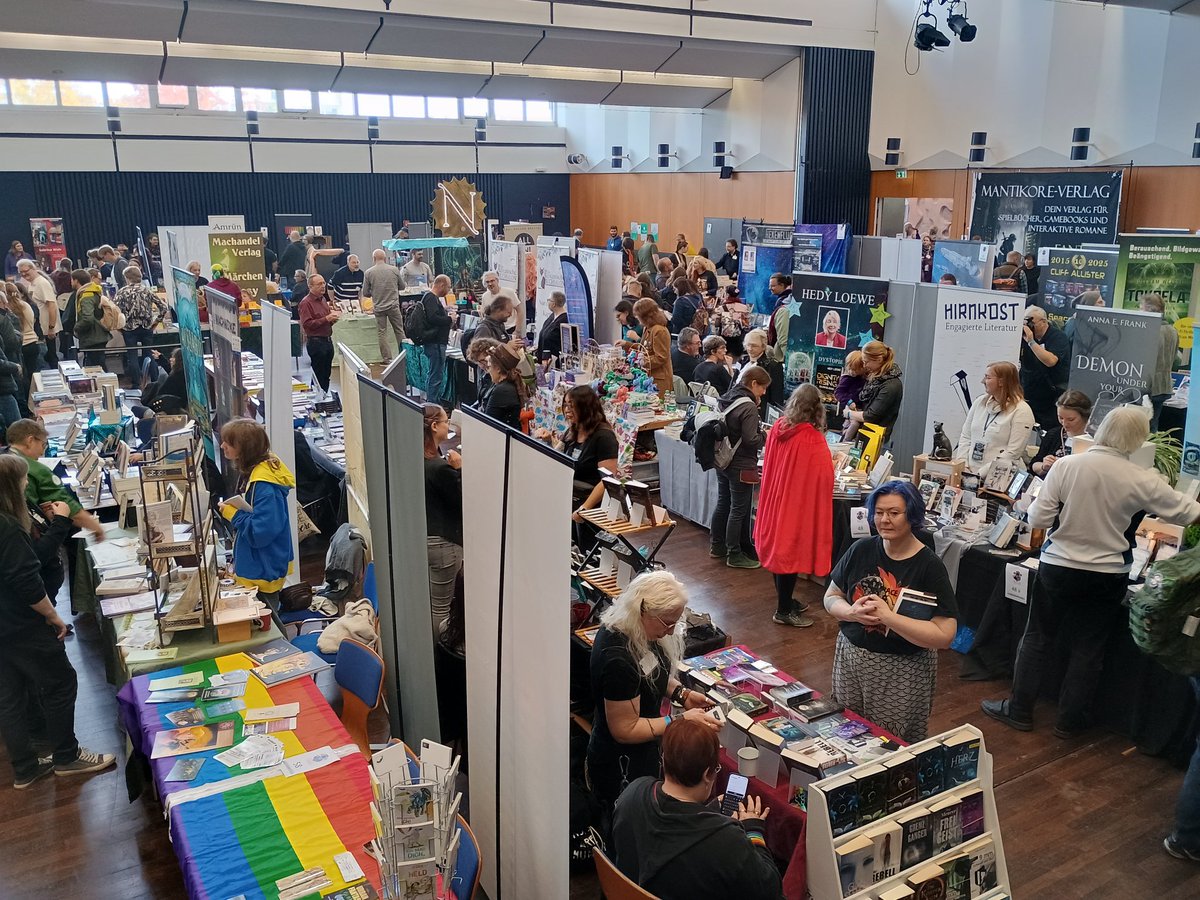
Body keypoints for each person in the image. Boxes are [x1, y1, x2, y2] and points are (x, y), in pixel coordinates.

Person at [983, 407, 1200, 738]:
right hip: (1108, 573)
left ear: (1102, 429)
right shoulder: (1143, 479)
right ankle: (1070, 721)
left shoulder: (1068, 466)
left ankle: (1020, 710)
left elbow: (1038, 519)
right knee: (1089, 647)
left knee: (1037, 638)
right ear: (1139, 439)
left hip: (1059, 566)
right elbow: (1190, 513)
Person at [0, 454, 116, 788]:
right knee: (60, 682)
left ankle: (26, 767)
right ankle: (67, 756)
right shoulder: (8, 527)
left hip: (4, 626)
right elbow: (27, 579)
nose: (27, 484)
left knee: (10, 695)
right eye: (23, 480)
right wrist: (53, 616)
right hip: (21, 623)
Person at [824, 481, 958, 741]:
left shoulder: (929, 566)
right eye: (879, 512)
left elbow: (945, 635)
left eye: (894, 513)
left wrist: (889, 618)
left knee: (889, 742)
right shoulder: (861, 549)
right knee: (847, 731)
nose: (884, 520)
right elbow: (831, 597)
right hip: (850, 659)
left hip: (901, 670)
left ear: (912, 515)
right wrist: (851, 613)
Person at [587, 571, 719, 814]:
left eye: (675, 622)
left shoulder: (638, 632)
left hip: (642, 754)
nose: (670, 631)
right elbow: (625, 730)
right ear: (643, 612)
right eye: (667, 623)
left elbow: (652, 670)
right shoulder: (618, 660)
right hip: (621, 765)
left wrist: (682, 694)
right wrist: (679, 720)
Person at [611, 718, 783, 900]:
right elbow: (771, 891)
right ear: (707, 775)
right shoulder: (727, 841)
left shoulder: (634, 791)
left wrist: (708, 812)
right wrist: (753, 830)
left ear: (664, 759)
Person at [755, 384, 832, 628]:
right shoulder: (812, 438)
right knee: (788, 554)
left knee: (779, 551)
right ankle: (784, 610)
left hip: (776, 500)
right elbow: (824, 476)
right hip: (795, 504)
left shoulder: (779, 427)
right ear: (817, 409)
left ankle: (785, 600)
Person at [218, 418, 295, 614]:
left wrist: (233, 514)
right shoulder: (256, 473)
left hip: (263, 569)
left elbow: (260, 533)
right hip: (258, 564)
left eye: (229, 443)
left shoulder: (265, 486)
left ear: (244, 449)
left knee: (268, 624)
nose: (222, 446)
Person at [710, 366, 770, 569]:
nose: (764, 392)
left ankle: (717, 546)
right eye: (762, 387)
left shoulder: (727, 397)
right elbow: (751, 439)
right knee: (738, 510)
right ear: (753, 383)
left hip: (722, 460)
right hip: (742, 465)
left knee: (723, 503)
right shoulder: (749, 407)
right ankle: (734, 554)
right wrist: (766, 435)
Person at [7, 419, 106, 542]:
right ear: (30, 441)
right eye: (43, 445)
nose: (42, 452)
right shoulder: (35, 470)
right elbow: (68, 507)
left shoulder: (5, 458)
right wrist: (96, 527)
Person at [953, 361, 1035, 478]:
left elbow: (1013, 453)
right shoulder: (979, 402)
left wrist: (980, 474)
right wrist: (963, 466)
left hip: (999, 477)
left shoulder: (1022, 411)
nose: (983, 381)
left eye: (988, 377)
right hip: (969, 473)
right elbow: (966, 436)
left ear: (1002, 382)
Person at [422, 403, 463, 641]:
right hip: (443, 544)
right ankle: (438, 653)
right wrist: (460, 469)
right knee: (441, 608)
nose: (449, 426)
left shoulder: (417, 458)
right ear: (435, 426)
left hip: (425, 537)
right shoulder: (439, 468)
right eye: (447, 421)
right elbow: (463, 500)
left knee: (431, 602)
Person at [1020, 305, 1071, 429]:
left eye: (1032, 323)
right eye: (1026, 323)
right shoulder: (1023, 337)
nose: (1029, 326)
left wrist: (1031, 342)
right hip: (1029, 394)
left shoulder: (1058, 337)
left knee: (1047, 431)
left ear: (1044, 322)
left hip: (1050, 398)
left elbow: (1051, 361)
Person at [114, 265, 166, 385]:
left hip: (129, 328)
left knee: (132, 356)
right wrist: (156, 321)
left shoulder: (122, 292)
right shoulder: (147, 290)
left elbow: (114, 310)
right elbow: (163, 307)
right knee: (148, 354)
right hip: (146, 327)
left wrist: (118, 326)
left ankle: (137, 383)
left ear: (127, 278)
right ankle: (155, 381)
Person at [844, 341, 903, 440]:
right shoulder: (874, 378)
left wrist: (848, 413)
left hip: (874, 439)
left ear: (879, 359)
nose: (864, 365)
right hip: (863, 434)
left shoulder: (891, 386)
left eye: (866, 362)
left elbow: (870, 416)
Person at [1030, 390, 1092, 477]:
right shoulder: (1054, 434)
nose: (1064, 423)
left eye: (1071, 419)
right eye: (1060, 418)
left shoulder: (1094, 440)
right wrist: (1044, 466)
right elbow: (1034, 464)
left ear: (1085, 416)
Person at [1141, 293, 1180, 431]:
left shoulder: (1149, 331)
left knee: (1142, 427)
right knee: (1153, 426)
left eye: (1141, 307)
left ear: (1148, 309)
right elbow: (1175, 358)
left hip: (1148, 387)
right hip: (1165, 385)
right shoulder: (1173, 331)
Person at [417, 275, 456, 405]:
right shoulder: (430, 298)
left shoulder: (431, 298)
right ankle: (433, 404)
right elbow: (433, 318)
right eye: (448, 287)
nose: (448, 290)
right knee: (436, 375)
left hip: (435, 342)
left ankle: (433, 401)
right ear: (441, 285)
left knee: (434, 373)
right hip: (436, 343)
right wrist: (449, 319)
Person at [361, 249, 406, 363]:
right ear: (385, 258)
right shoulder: (394, 270)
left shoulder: (369, 272)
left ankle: (387, 358)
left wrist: (375, 292)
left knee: (382, 332)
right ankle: (404, 355)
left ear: (373, 258)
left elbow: (365, 292)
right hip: (393, 306)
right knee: (399, 331)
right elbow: (402, 287)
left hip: (379, 307)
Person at [298, 274, 339, 395]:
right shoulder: (306, 303)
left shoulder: (323, 300)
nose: (323, 286)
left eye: (324, 283)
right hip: (316, 343)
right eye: (319, 284)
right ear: (310, 286)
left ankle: (324, 397)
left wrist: (331, 320)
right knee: (318, 375)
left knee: (326, 375)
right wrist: (326, 319)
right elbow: (307, 324)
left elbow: (325, 320)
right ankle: (317, 398)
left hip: (327, 341)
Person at [473, 340, 525, 430]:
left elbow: (487, 423)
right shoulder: (504, 385)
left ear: (498, 369)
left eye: (490, 367)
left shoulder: (503, 390)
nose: (489, 371)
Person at [16, 260, 58, 368]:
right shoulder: (33, 283)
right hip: (41, 330)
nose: (24, 274)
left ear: (33, 268)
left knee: (50, 360)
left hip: (47, 330)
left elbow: (52, 305)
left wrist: (51, 327)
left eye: (25, 271)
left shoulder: (41, 283)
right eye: (21, 272)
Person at [71, 268, 110, 369]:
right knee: (96, 365)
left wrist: (77, 327)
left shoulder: (86, 295)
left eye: (71, 279)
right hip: (97, 334)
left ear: (76, 281)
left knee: (96, 366)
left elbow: (88, 318)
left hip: (93, 336)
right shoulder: (93, 291)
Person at [633, 298, 673, 397]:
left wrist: (644, 361)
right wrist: (627, 345)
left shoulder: (659, 331)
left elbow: (661, 357)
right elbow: (644, 348)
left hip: (658, 380)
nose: (637, 318)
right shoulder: (648, 328)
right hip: (649, 376)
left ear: (645, 316)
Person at [739, 329, 784, 411]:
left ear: (763, 346)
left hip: (759, 410)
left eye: (754, 346)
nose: (750, 349)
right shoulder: (742, 361)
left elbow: (776, 396)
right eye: (748, 345)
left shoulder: (773, 366)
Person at [0, 293, 24, 429]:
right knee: (18, 431)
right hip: (3, 387)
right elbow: (12, 342)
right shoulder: (3, 318)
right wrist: (14, 366)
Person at [481, 270, 524, 337]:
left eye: (492, 281)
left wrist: (517, 330)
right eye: (487, 282)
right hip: (494, 331)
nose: (490, 284)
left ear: (497, 281)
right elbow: (485, 314)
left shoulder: (509, 292)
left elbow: (520, 311)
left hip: (510, 329)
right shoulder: (485, 296)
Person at [765, 274, 794, 362]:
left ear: (782, 285)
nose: (770, 288)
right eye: (770, 286)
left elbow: (782, 334)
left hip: (782, 354)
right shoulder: (788, 299)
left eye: (773, 286)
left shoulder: (783, 302)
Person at [536, 291, 569, 363]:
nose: (547, 302)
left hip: (553, 360)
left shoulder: (564, 320)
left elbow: (552, 340)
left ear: (553, 304)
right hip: (543, 357)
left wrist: (546, 357)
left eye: (549, 300)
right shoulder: (552, 316)